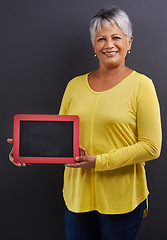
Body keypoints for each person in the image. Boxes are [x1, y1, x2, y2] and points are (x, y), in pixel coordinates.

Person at [8, 6, 162, 240]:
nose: (109, 44)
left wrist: (98, 162)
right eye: (101, 38)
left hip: (120, 200)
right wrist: (24, 147)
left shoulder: (142, 86)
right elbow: (58, 138)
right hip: (77, 198)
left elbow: (152, 147)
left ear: (129, 42)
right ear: (94, 46)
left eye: (116, 37)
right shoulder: (74, 85)